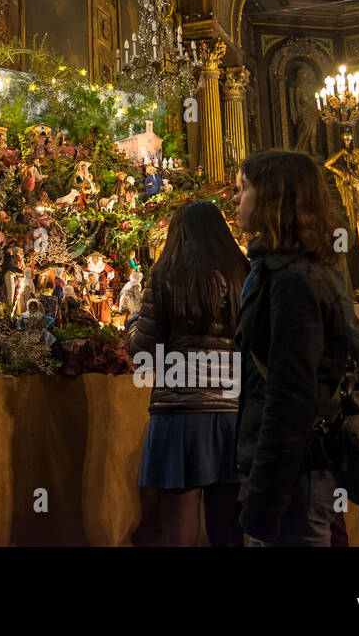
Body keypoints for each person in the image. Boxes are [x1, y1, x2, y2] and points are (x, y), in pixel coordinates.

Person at [231, 149, 359, 546]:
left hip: (294, 472)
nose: (235, 198)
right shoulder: (287, 270)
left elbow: (291, 394)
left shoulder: (293, 279)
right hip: (289, 468)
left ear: (273, 198)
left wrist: (264, 497)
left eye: (244, 188)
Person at [124, 200, 249, 547]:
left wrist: (132, 321)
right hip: (231, 409)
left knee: (179, 528)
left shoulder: (166, 275)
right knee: (228, 525)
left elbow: (144, 352)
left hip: (179, 412)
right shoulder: (243, 273)